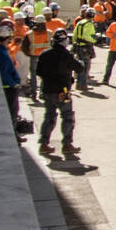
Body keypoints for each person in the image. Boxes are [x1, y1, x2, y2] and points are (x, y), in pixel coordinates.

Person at [35, 28, 83, 156]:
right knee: (67, 116)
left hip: (47, 90)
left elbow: (38, 72)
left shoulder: (44, 55)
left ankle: (44, 144)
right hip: (63, 90)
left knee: (49, 116)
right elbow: (79, 68)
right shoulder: (66, 55)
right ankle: (67, 144)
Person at [0, 22, 22, 129]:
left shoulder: (2, 50)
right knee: (12, 113)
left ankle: (15, 134)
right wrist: (13, 84)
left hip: (9, 86)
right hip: (9, 88)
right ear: (7, 38)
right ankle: (13, 133)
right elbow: (3, 72)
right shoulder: (1, 53)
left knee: (13, 112)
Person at [23, 14, 53, 102]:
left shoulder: (29, 34)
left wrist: (29, 54)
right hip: (46, 58)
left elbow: (24, 47)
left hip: (34, 57)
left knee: (33, 76)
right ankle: (43, 93)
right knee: (45, 76)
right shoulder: (50, 33)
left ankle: (33, 94)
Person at [71, 4, 97, 91]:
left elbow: (74, 35)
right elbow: (87, 36)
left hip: (78, 46)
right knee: (85, 67)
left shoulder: (80, 22)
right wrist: (94, 39)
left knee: (79, 66)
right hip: (86, 47)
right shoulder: (89, 24)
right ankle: (83, 85)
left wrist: (74, 43)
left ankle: (78, 84)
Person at [102, 15, 116, 85]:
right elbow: (107, 33)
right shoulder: (113, 25)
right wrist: (113, 35)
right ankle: (105, 79)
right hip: (113, 49)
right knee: (109, 65)